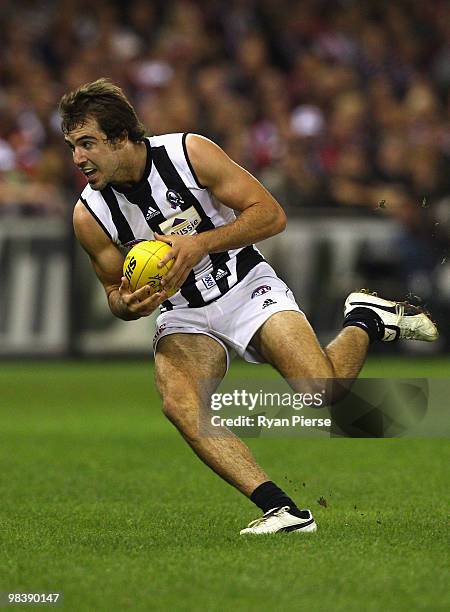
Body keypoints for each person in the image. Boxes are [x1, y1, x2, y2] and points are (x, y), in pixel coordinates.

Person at [59, 79, 438, 535]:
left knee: (322, 392)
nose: (78, 158)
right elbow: (114, 295)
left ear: (121, 137)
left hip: (244, 286)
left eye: (87, 144)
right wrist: (130, 303)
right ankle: (283, 510)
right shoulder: (89, 214)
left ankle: (365, 317)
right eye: (72, 146)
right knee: (180, 403)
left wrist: (201, 245)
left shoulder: (188, 153)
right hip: (183, 313)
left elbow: (270, 213)